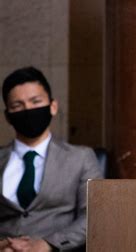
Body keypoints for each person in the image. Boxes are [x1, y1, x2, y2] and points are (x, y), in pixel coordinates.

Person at [0, 67, 103, 252]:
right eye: (17, 106)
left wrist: (47, 244)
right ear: (8, 115)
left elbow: (95, 216)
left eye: (35, 101)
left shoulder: (81, 158)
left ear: (53, 106)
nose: (28, 110)